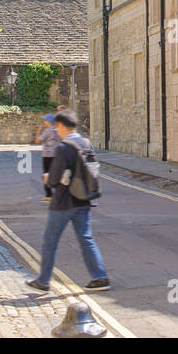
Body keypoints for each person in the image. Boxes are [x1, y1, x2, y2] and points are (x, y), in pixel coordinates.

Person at [26, 109, 110, 292]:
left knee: (50, 241)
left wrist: (48, 178)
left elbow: (55, 179)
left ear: (62, 126)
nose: (56, 130)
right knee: (86, 239)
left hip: (64, 202)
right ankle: (100, 276)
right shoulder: (86, 143)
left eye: (57, 127)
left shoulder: (64, 148)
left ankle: (43, 280)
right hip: (84, 199)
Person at [34, 112, 61, 201]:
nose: (44, 122)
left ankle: (49, 194)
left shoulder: (47, 131)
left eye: (45, 120)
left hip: (47, 155)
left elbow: (38, 141)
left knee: (46, 175)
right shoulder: (57, 130)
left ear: (49, 122)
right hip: (57, 154)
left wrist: (38, 131)